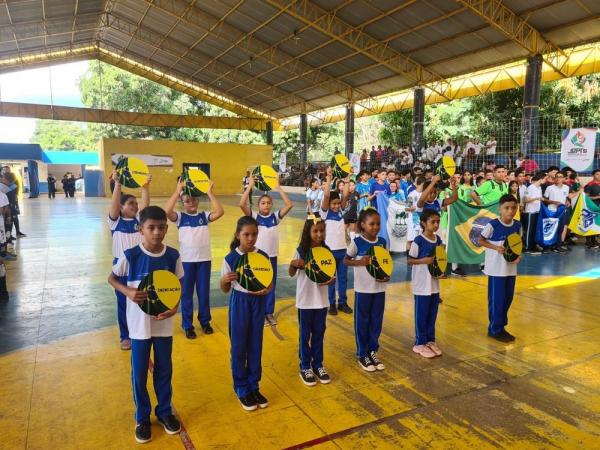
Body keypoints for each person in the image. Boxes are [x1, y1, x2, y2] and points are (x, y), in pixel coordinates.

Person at [108, 206, 184, 444]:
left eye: (161, 227)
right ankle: (142, 417)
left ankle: (164, 412)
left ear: (167, 228)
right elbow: (111, 277)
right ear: (141, 229)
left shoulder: (173, 256)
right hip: (139, 327)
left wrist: (175, 308)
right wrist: (128, 291)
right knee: (139, 373)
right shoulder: (131, 255)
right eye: (151, 228)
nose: (157, 232)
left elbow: (178, 288)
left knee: (164, 370)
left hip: (163, 326)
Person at [220, 216, 272, 411]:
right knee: (239, 346)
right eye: (246, 235)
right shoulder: (230, 258)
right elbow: (224, 288)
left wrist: (267, 290)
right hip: (240, 302)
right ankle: (241, 387)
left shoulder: (263, 256)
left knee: (255, 345)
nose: (250, 238)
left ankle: (254, 385)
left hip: (258, 303)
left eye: (254, 234)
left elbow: (270, 282)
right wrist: (225, 280)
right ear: (238, 235)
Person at [164, 179, 224, 339]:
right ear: (182, 203)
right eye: (187, 201)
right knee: (186, 294)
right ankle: (188, 325)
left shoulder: (204, 216)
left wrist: (210, 193)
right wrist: (177, 191)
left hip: (204, 261)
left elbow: (220, 211)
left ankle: (205, 321)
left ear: (198, 200)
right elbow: (165, 212)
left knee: (204, 293)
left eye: (193, 200)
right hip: (187, 262)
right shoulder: (180, 218)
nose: (191, 203)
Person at [240, 176, 293, 326]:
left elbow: (289, 204)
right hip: (257, 258)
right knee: (257, 284)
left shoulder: (275, 217)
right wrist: (250, 185)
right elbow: (242, 203)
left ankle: (268, 313)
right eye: (263, 203)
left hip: (272, 257)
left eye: (269, 203)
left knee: (271, 285)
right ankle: (257, 313)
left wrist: (278, 187)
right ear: (258, 205)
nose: (266, 205)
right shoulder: (254, 217)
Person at [289, 216, 335, 386]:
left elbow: (331, 274)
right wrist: (294, 263)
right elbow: (291, 272)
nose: (319, 234)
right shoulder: (301, 250)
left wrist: (331, 280)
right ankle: (305, 366)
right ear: (308, 232)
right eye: (315, 231)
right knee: (304, 335)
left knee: (319, 334)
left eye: (322, 230)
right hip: (306, 301)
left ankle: (318, 364)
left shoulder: (327, 251)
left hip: (321, 302)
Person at [108, 170, 151, 350]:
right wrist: (117, 184)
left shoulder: (139, 220)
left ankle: (142, 330)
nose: (135, 206)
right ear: (121, 206)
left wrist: (146, 188)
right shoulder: (115, 222)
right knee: (123, 302)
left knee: (143, 298)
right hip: (121, 267)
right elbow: (114, 203)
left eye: (136, 203)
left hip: (140, 265)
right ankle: (125, 336)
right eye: (131, 203)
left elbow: (146, 204)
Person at [344, 208, 390, 372]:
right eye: (372, 224)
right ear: (363, 225)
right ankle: (362, 353)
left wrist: (386, 276)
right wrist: (360, 262)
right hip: (363, 289)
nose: (375, 227)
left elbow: (386, 263)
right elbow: (346, 261)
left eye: (378, 224)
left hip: (379, 289)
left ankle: (372, 351)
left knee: (376, 321)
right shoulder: (357, 243)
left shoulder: (383, 242)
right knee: (362, 321)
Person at [478, 194, 522, 342]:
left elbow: (517, 245)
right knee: (497, 300)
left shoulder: (517, 225)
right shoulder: (493, 224)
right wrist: (496, 247)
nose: (510, 211)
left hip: (510, 268)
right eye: (507, 208)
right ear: (500, 209)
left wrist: (517, 255)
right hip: (496, 269)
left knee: (507, 298)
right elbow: (480, 240)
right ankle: (495, 329)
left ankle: (501, 326)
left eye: (514, 208)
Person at [408, 209, 445, 358]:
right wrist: (423, 261)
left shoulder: (438, 240)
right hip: (422, 285)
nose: (436, 225)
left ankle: (430, 340)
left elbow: (440, 259)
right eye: (432, 222)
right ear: (423, 223)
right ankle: (419, 343)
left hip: (434, 285)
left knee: (432, 314)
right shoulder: (418, 240)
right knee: (421, 314)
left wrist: (441, 271)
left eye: (438, 221)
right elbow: (410, 260)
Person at [320, 168, 352, 316]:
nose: (336, 206)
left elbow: (345, 195)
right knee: (331, 279)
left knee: (343, 279)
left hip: (342, 250)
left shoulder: (340, 211)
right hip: (330, 251)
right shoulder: (325, 213)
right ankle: (331, 303)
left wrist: (347, 179)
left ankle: (342, 302)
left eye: (338, 203)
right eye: (334, 203)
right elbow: (327, 195)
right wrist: (329, 178)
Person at [523, 172, 545, 254]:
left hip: (537, 211)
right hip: (530, 211)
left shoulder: (539, 188)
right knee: (529, 230)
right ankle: (527, 247)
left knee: (534, 230)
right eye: (544, 179)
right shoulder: (530, 188)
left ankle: (533, 245)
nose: (545, 181)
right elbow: (526, 200)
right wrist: (536, 198)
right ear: (540, 179)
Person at [406, 176, 425, 253]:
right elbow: (406, 208)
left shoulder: (425, 194)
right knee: (411, 238)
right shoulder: (412, 194)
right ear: (418, 184)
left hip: (422, 218)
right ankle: (408, 255)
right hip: (413, 219)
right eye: (422, 184)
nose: (423, 186)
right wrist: (413, 208)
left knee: (421, 238)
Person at [583, 169, 600, 249]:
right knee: (590, 223)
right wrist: (597, 197)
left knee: (597, 224)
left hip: (598, 208)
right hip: (591, 207)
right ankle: (589, 242)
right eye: (597, 174)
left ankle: (595, 240)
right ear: (593, 175)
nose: (599, 175)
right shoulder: (590, 185)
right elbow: (585, 197)